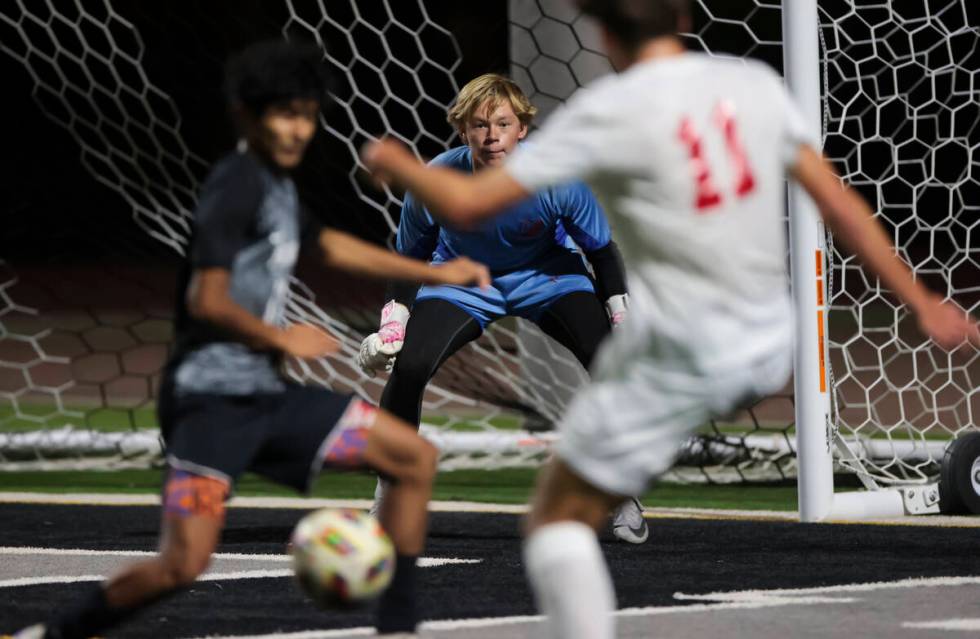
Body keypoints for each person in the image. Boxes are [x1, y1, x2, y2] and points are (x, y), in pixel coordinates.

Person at [359, 1, 980, 637]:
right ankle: (597, 467)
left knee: (553, 521)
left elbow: (543, 228)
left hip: (681, 348)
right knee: (460, 381)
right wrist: (921, 299)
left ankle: (612, 490)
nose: (490, 135)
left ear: (602, 34)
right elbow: (834, 200)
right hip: (770, 341)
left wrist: (396, 163)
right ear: (683, 16)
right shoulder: (753, 85)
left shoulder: (605, 115)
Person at [14, 40, 490, 639]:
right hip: (208, 409)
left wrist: (435, 274)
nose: (297, 129)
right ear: (246, 115)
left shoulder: (276, 186)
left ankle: (397, 628)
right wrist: (280, 337)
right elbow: (205, 301)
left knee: (412, 457)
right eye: (283, 114)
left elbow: (331, 246)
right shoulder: (233, 187)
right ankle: (56, 635)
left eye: (307, 115)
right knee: (181, 565)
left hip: (268, 402)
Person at [355, 73, 647, 544]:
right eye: (479, 125)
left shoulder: (559, 177)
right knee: (408, 369)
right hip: (463, 281)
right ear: (462, 131)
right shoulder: (435, 180)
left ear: (523, 130)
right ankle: (389, 498)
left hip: (548, 278)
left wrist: (621, 318)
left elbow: (601, 253)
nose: (492, 137)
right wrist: (393, 327)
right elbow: (409, 261)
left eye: (503, 124)